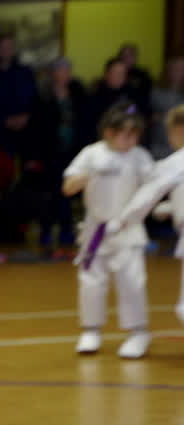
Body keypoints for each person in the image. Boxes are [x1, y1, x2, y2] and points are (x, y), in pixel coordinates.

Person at [62, 103, 154, 359]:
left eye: (136, 135)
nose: (131, 140)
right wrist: (89, 174)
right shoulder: (91, 154)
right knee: (92, 282)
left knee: (132, 281)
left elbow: (153, 187)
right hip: (96, 228)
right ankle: (91, 330)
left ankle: (138, 332)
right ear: (109, 133)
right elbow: (68, 187)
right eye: (126, 134)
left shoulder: (140, 156)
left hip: (127, 228)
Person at [111, 105, 184, 325]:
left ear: (179, 130)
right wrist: (172, 209)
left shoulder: (176, 161)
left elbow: (149, 193)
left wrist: (123, 219)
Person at [31, 57, 90, 254]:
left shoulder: (78, 92)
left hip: (73, 151)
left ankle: (67, 230)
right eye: (59, 70)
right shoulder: (43, 94)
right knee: (49, 194)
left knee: (70, 192)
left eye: (67, 70)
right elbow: (37, 125)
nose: (63, 74)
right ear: (53, 73)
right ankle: (46, 231)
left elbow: (85, 120)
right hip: (50, 151)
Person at [0, 34, 37, 158]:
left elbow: (34, 98)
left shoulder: (26, 72)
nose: (6, 50)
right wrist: (4, 120)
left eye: (9, 47)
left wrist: (25, 117)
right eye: (2, 47)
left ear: (14, 49)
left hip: (27, 126)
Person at [150, 57, 184, 160]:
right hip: (160, 141)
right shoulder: (156, 90)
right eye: (175, 69)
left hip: (180, 141)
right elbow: (138, 111)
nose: (177, 73)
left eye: (181, 69)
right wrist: (153, 116)